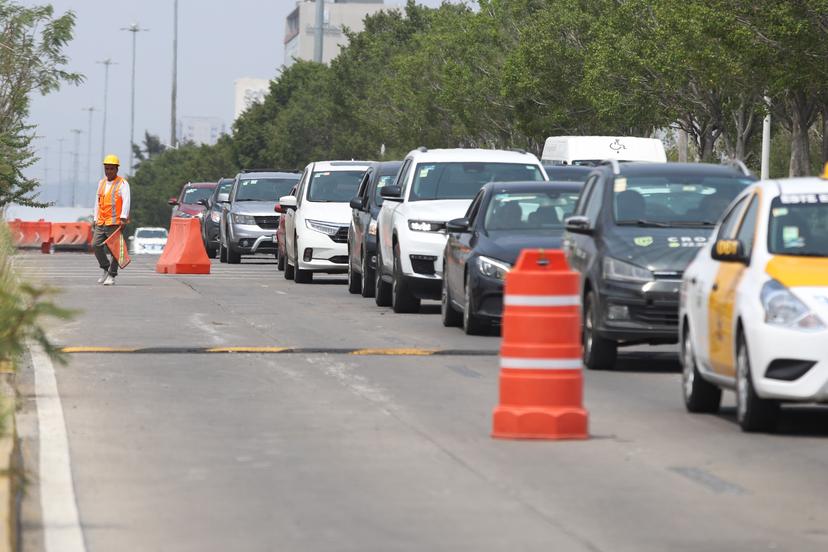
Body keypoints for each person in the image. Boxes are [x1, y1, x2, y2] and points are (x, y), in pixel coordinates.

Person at [93, 154, 130, 286]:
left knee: (115, 249)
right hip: (101, 221)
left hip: (115, 222)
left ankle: (112, 275)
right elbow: (97, 202)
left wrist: (123, 218)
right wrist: (95, 217)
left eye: (111, 169)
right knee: (96, 245)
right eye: (106, 168)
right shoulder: (101, 183)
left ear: (116, 169)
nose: (108, 171)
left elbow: (126, 201)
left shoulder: (123, 183)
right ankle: (105, 268)